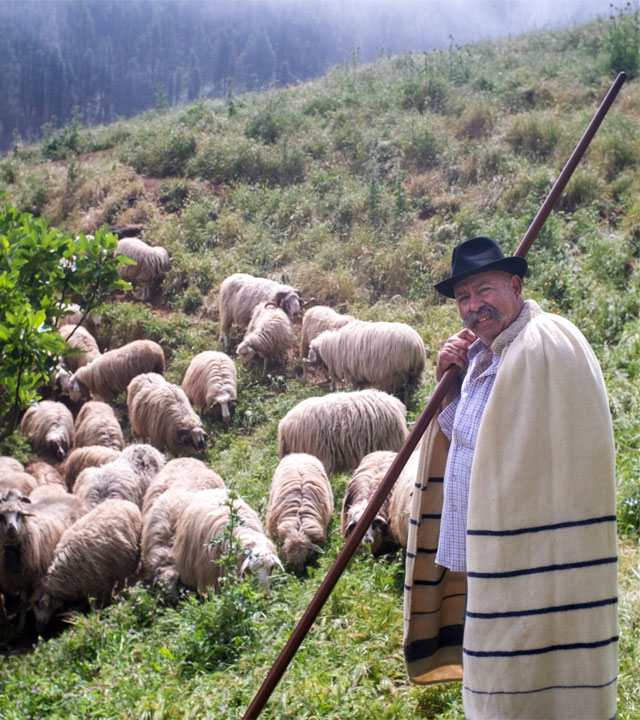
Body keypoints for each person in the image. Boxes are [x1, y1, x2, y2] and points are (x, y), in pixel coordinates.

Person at [403, 236, 618, 719]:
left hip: (529, 549)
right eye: (464, 297)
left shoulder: (543, 346)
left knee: (533, 653)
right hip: (485, 544)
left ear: (515, 286)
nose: (474, 306)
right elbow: (466, 434)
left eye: (485, 290)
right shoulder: (483, 355)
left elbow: (536, 448)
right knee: (496, 651)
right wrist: (448, 383)